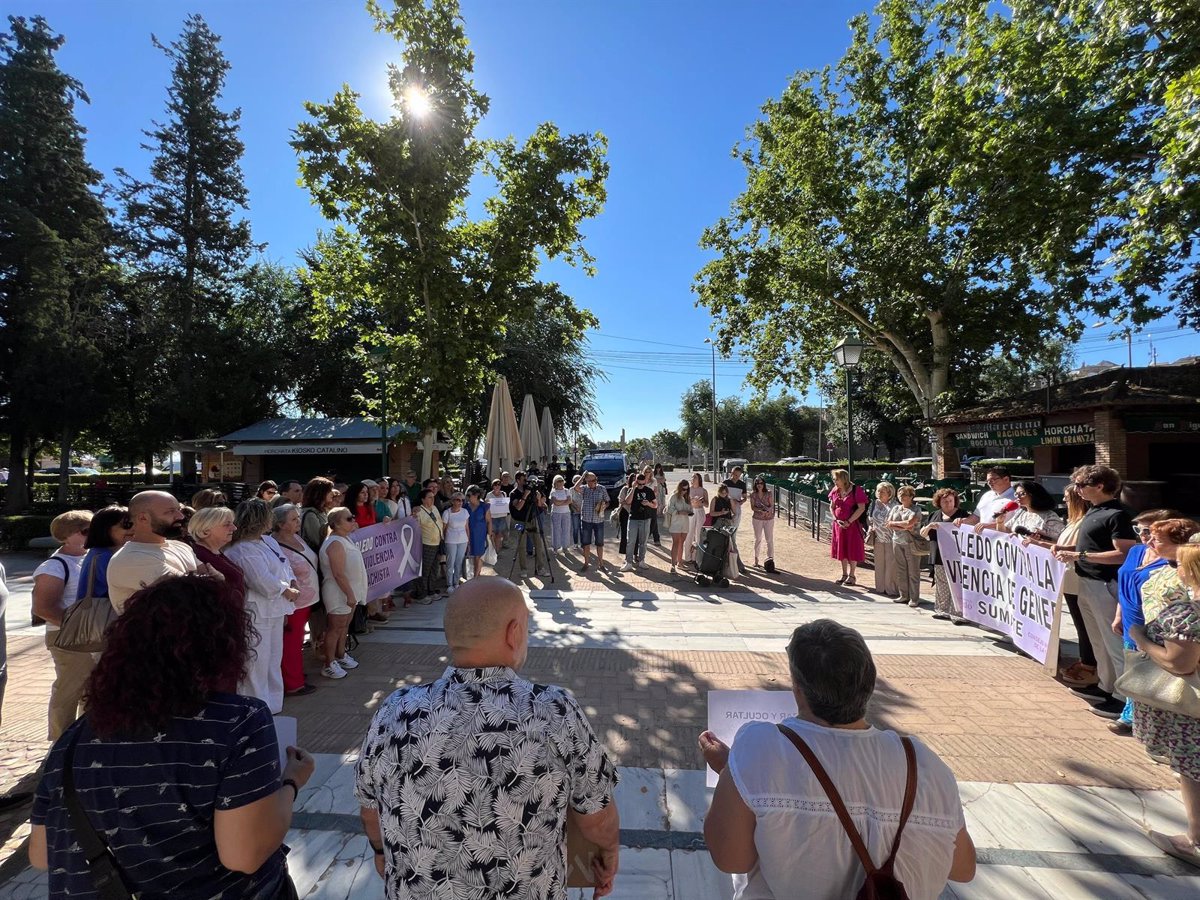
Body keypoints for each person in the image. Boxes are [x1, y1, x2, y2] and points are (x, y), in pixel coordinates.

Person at [28, 575, 315, 898]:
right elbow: (245, 856)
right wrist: (290, 782)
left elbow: (42, 854)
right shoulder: (238, 722)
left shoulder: (76, 737)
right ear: (223, 647)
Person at [354, 577, 620, 898]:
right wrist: (609, 851)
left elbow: (371, 810)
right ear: (514, 633)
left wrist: (381, 852)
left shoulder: (393, 711)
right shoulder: (553, 710)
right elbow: (597, 817)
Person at [698, 619, 975, 898]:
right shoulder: (923, 764)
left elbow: (730, 858)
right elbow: (963, 868)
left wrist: (729, 772)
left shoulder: (761, 747)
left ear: (798, 689)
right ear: (868, 686)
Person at [1129, 538, 1200, 868]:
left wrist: (1141, 638)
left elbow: (1179, 663)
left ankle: (1196, 840)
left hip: (1191, 712)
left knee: (1192, 772)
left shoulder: (1186, 613)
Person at [1055, 465, 1137, 721]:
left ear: (1099, 486)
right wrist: (1066, 547)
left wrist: (1078, 555)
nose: (1077, 490)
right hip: (1087, 581)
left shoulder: (1117, 515)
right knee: (1097, 640)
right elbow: (1091, 544)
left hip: (1105, 584)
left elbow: (1123, 554)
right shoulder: (1095, 511)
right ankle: (1105, 685)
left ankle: (1123, 697)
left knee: (1112, 642)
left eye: (1081, 485)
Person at [1107, 513, 1191, 734]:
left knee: (1163, 680)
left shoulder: (1179, 566)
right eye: (1142, 532)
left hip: (1163, 631)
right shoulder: (1138, 553)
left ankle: (1147, 723)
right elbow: (1125, 583)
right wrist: (1119, 615)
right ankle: (1137, 719)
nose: (1146, 539)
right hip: (1134, 624)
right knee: (1135, 670)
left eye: (1153, 535)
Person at [224, 500, 297, 714]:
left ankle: (273, 704)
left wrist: (291, 581)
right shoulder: (242, 549)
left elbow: (284, 564)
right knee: (256, 661)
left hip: (275, 609)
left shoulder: (267, 541)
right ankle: (255, 707)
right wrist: (286, 589)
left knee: (274, 659)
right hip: (257, 612)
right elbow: (262, 581)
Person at [32, 510, 93, 740]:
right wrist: (77, 628)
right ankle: (60, 741)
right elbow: (44, 608)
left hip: (89, 634)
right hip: (66, 636)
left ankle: (82, 740)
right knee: (69, 689)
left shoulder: (89, 557)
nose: (92, 535)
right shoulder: (55, 566)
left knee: (90, 689)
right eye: (86, 531)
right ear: (66, 536)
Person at [107, 490, 199, 614]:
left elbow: (215, 582)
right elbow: (193, 593)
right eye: (170, 512)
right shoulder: (131, 559)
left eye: (178, 510)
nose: (180, 516)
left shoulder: (181, 547)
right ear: (143, 518)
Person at [274, 503, 320, 697]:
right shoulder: (275, 545)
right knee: (291, 644)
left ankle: (295, 673)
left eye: (297, 517)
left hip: (308, 600)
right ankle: (293, 684)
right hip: (293, 604)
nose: (298, 522)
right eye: (293, 519)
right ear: (281, 524)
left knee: (298, 641)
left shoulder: (297, 537)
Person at [318, 508, 364, 678]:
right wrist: (350, 595)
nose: (353, 520)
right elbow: (338, 573)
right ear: (336, 524)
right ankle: (329, 663)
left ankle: (340, 654)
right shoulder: (335, 543)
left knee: (344, 626)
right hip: (338, 592)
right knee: (335, 628)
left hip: (349, 591)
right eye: (349, 518)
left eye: (353, 517)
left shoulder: (345, 539)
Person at [187, 505, 246, 604]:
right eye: (227, 524)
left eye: (232, 523)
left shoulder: (214, 551)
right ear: (206, 530)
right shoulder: (199, 555)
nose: (234, 528)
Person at [922, 488, 964, 621]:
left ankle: (957, 612)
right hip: (938, 554)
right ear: (939, 502)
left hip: (956, 556)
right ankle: (942, 610)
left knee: (956, 584)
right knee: (941, 583)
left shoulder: (962, 515)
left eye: (951, 500)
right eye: (945, 501)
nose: (948, 503)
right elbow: (922, 533)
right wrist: (929, 527)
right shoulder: (934, 515)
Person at [978, 480, 1064, 540]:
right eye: (1016, 494)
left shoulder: (1049, 516)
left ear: (1034, 495)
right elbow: (1004, 534)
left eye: (1022, 494)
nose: (1018, 497)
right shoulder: (1021, 513)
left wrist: (1037, 541)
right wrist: (1000, 523)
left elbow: (1058, 542)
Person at [828, 469, 868, 586]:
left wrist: (849, 521)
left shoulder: (856, 490)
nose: (834, 481)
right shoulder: (835, 490)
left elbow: (861, 508)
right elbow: (832, 506)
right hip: (839, 525)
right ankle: (844, 573)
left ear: (843, 479)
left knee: (852, 548)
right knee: (842, 549)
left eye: (836, 479)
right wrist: (836, 518)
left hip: (852, 526)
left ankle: (852, 575)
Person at [887, 485, 923, 608]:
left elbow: (910, 524)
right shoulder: (896, 508)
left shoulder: (916, 509)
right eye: (900, 494)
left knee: (913, 571)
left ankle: (914, 597)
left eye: (905, 495)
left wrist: (898, 524)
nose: (901, 497)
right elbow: (889, 524)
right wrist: (902, 525)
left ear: (911, 496)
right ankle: (904, 595)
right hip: (896, 541)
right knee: (901, 569)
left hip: (911, 543)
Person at [510, 471, 549, 574]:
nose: (526, 482)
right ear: (518, 480)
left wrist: (539, 498)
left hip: (532, 520)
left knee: (538, 544)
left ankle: (540, 568)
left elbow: (540, 506)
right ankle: (523, 569)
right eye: (523, 480)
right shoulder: (514, 493)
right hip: (519, 522)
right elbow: (518, 507)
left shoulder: (531, 491)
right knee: (522, 546)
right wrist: (525, 495)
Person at [621, 471, 658, 573]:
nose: (641, 486)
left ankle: (641, 560)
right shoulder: (632, 489)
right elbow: (628, 501)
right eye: (639, 484)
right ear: (636, 482)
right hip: (633, 518)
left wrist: (648, 504)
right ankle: (628, 562)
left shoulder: (649, 491)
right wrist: (633, 488)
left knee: (643, 542)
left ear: (645, 482)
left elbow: (655, 505)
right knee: (631, 541)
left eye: (643, 484)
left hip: (646, 519)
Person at [414, 488, 446, 602]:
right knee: (425, 570)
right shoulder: (419, 512)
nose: (432, 499)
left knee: (434, 568)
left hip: (438, 542)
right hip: (426, 544)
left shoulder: (435, 508)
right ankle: (421, 594)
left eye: (433, 497)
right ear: (423, 499)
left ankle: (431, 590)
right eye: (429, 497)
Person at [575, 470, 610, 574]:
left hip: (598, 520)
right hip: (586, 520)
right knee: (586, 543)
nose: (592, 482)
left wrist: (604, 506)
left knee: (599, 543)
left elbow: (608, 500)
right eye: (590, 480)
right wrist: (582, 477)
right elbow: (575, 488)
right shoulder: (584, 489)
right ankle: (586, 563)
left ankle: (601, 563)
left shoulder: (602, 488)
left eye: (594, 480)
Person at [869, 483, 898, 598]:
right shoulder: (874, 503)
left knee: (891, 566)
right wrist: (871, 526)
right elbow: (870, 518)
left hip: (891, 539)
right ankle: (880, 588)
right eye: (878, 491)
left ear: (889, 493)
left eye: (883, 492)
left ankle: (890, 589)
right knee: (879, 564)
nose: (879, 493)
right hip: (878, 538)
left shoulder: (895, 506)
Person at [441, 492, 471, 593]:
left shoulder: (465, 512)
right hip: (451, 540)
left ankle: (456, 582)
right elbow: (443, 528)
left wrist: (468, 541)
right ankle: (449, 584)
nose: (460, 502)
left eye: (462, 500)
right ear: (453, 501)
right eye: (458, 500)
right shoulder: (447, 513)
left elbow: (467, 528)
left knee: (458, 562)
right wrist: (445, 540)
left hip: (463, 540)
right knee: (450, 563)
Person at [300, 476, 337, 554]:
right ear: (320, 493)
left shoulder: (323, 511)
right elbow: (319, 540)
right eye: (329, 490)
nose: (332, 493)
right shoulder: (310, 515)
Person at [464, 486, 492, 578]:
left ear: (476, 495)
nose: (467, 497)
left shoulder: (484, 506)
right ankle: (469, 575)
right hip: (467, 534)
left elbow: (489, 521)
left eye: (469, 495)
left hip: (480, 534)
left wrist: (489, 535)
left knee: (478, 556)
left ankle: (476, 577)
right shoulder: (465, 506)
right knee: (467, 555)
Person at [667, 479, 693, 575]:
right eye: (683, 489)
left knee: (682, 543)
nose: (684, 491)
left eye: (686, 489)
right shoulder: (673, 497)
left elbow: (690, 509)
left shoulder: (687, 498)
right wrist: (678, 512)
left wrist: (689, 512)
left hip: (685, 523)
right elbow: (669, 509)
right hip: (675, 523)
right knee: (676, 543)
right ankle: (672, 565)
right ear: (679, 488)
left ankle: (680, 562)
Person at [749, 476, 775, 568]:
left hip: (769, 518)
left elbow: (772, 505)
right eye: (757, 483)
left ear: (764, 484)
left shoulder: (769, 493)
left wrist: (767, 510)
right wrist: (760, 510)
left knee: (769, 539)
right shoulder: (753, 494)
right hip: (757, 518)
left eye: (761, 483)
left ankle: (770, 559)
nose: (759, 485)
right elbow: (752, 507)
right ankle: (756, 559)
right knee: (758, 539)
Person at [686, 473, 709, 564]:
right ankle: (687, 557)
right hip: (691, 512)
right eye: (692, 477)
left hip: (700, 511)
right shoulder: (688, 490)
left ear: (699, 479)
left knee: (699, 534)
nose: (693, 479)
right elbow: (685, 503)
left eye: (695, 477)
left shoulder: (703, 490)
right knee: (689, 534)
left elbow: (707, 504)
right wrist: (691, 501)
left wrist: (701, 502)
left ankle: (698, 557)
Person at [549, 474, 572, 551]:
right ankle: (556, 547)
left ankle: (565, 546)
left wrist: (560, 502)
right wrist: (564, 501)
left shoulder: (566, 490)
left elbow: (569, 501)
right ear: (555, 482)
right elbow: (555, 503)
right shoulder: (553, 491)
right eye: (559, 481)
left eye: (562, 480)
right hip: (556, 513)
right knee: (556, 530)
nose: (561, 482)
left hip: (566, 513)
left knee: (566, 529)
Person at [487, 478, 511, 551]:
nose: (497, 486)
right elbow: (487, 505)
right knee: (493, 535)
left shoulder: (504, 494)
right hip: (492, 518)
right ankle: (493, 550)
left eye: (499, 485)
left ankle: (496, 551)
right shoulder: (489, 495)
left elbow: (506, 504)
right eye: (495, 485)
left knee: (499, 535)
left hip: (501, 518)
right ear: (492, 486)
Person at [616, 473, 636, 557]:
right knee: (624, 534)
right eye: (633, 479)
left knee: (635, 535)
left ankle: (635, 554)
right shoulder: (624, 489)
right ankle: (625, 553)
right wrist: (628, 502)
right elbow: (621, 501)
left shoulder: (640, 490)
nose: (635, 481)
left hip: (635, 513)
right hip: (625, 512)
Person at [569, 473, 584, 547]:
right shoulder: (571, 490)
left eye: (579, 479)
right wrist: (576, 507)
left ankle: (582, 543)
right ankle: (575, 543)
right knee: (575, 528)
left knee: (582, 529)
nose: (577, 481)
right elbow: (570, 501)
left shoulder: (584, 488)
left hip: (583, 512)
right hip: (575, 512)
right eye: (575, 480)